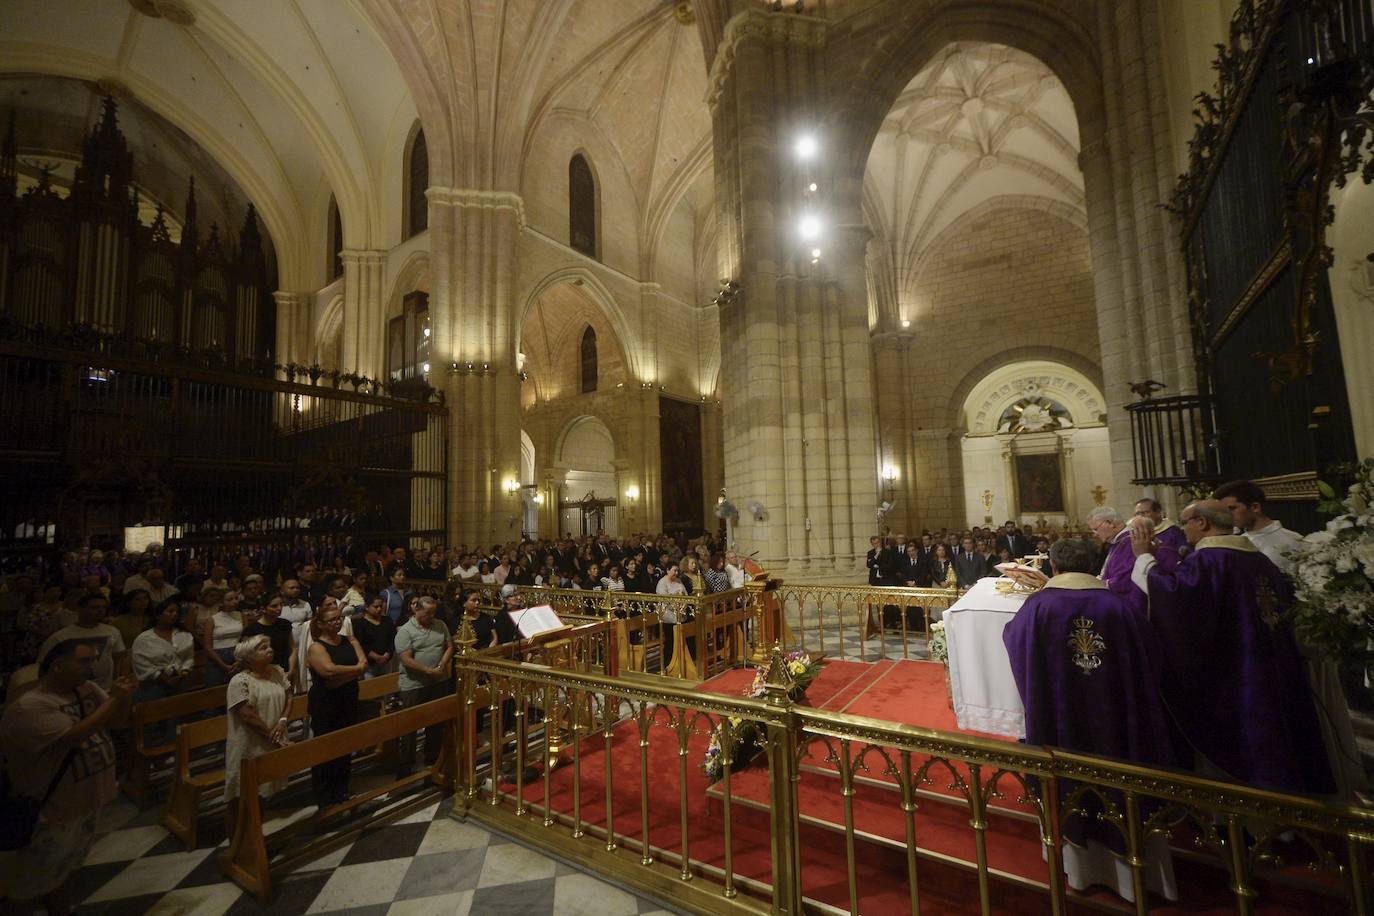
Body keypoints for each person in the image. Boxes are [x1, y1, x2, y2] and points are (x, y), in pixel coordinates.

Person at [1002, 538, 1183, 903]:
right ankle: (1131, 874)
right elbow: (1151, 654)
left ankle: (1081, 870)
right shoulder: (1119, 606)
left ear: (1054, 567)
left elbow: (1015, 643)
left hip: (1060, 718)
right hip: (1117, 721)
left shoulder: (1037, 607)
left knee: (1069, 778)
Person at [1128, 501, 1334, 795]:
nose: (1183, 529)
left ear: (1202, 523)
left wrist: (1144, 557)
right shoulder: (1259, 560)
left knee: (1246, 748)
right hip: (1271, 666)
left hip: (1232, 674)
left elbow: (1174, 599)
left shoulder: (1209, 561)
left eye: (1185, 522)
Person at [0, 641, 134, 916]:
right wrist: (115, 699)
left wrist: (125, 698)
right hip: (54, 809)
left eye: (93, 661)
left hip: (87, 800)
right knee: (30, 883)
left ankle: (62, 909)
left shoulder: (85, 689)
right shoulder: (31, 707)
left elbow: (117, 722)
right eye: (83, 661)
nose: (90, 668)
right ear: (58, 666)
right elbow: (73, 737)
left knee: (67, 868)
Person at [224, 635, 291, 841]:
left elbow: (289, 696)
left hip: (273, 737)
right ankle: (238, 842)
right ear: (249, 656)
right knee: (242, 793)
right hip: (248, 743)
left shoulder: (277, 672)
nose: (269, 650)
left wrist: (282, 722)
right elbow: (246, 714)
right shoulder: (240, 681)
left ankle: (255, 837)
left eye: (269, 646)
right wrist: (272, 735)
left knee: (261, 792)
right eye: (262, 648)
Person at [305, 603, 365, 807]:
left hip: (347, 698)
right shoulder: (316, 647)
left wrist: (345, 675)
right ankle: (324, 794)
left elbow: (363, 664)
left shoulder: (349, 640)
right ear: (321, 624)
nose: (337, 622)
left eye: (338, 618)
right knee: (326, 747)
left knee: (345, 745)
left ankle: (341, 789)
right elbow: (328, 671)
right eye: (331, 620)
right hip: (326, 703)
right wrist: (354, 671)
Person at [394, 596, 452, 776]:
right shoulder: (406, 631)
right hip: (414, 684)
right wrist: (427, 670)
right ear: (417, 610)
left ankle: (432, 757)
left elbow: (449, 646)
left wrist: (442, 665)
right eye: (428, 613)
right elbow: (405, 658)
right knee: (410, 724)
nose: (432, 616)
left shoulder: (440, 625)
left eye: (434, 612)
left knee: (436, 721)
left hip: (438, 680)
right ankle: (406, 763)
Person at [38, 593, 126, 692]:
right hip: (70, 691)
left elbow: (118, 659)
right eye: (94, 607)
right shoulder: (61, 636)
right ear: (80, 609)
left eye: (104, 607)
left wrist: (117, 682)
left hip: (105, 689)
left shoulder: (112, 631)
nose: (101, 610)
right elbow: (44, 667)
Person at [1214, 479, 1305, 574]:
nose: (1227, 515)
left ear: (1255, 507)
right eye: (1224, 510)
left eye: (1232, 508)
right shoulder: (1236, 540)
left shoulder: (1293, 540)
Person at [130, 598, 196, 706]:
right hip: (153, 684)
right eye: (170, 611)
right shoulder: (144, 638)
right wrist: (162, 677)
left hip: (180, 680)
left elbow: (189, 658)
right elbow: (141, 663)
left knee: (178, 709)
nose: (175, 614)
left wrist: (183, 673)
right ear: (158, 615)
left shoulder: (184, 634)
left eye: (177, 612)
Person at [241, 594, 297, 690]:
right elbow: (247, 656)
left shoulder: (285, 624)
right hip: (263, 671)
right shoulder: (252, 629)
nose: (279, 608)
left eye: (281, 604)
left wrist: (291, 670)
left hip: (285, 667)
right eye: (274, 606)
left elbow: (292, 648)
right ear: (263, 609)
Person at [200, 589, 245, 687]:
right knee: (214, 687)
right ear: (221, 602)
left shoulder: (240, 615)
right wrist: (223, 665)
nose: (234, 602)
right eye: (230, 599)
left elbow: (244, 638)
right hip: (217, 656)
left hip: (237, 653)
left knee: (239, 686)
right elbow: (207, 646)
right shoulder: (212, 619)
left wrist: (240, 660)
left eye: (236, 598)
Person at [354, 595, 397, 678]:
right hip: (369, 664)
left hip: (386, 661)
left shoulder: (387, 621)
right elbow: (360, 644)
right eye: (376, 607)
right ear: (367, 607)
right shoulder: (359, 624)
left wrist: (387, 654)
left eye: (380, 606)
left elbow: (393, 639)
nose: (379, 609)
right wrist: (375, 657)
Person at [108, 589, 152, 654]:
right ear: (128, 603)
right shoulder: (118, 622)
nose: (143, 601)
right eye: (138, 599)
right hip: (128, 656)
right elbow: (111, 645)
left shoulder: (153, 619)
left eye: (145, 598)